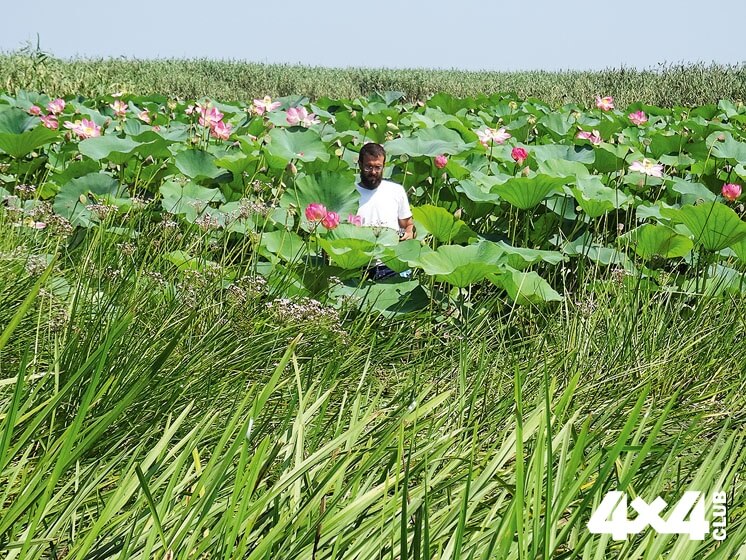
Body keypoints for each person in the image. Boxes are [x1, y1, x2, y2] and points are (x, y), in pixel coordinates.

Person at [354, 142, 415, 280]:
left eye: (378, 167)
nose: (373, 172)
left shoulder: (396, 191)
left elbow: (408, 225)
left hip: (390, 264)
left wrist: (409, 233)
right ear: (360, 164)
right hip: (357, 264)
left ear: (384, 166)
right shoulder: (350, 192)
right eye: (369, 167)